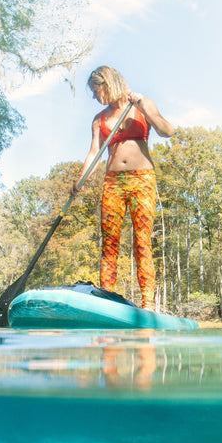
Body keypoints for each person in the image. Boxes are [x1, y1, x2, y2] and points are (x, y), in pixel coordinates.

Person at [74, 66, 174, 310]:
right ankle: (106, 298)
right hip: (113, 183)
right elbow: (94, 152)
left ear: (109, 84)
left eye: (98, 91)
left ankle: (148, 303)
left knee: (142, 241)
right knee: (109, 242)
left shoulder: (141, 104)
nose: (97, 98)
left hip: (143, 180)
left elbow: (167, 131)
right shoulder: (99, 119)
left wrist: (144, 108)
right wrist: (80, 180)